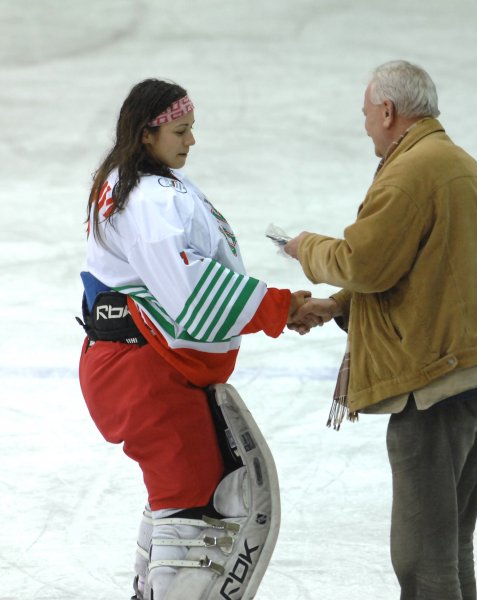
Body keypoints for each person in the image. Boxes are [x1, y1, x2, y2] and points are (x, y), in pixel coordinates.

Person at [284, 60, 477, 600]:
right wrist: (339, 306)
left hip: (437, 379)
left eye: (367, 115)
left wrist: (305, 249)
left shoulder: (412, 170)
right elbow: (427, 267)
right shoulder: (459, 164)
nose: (365, 125)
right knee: (450, 544)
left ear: (388, 112)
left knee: (421, 557)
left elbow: (364, 261)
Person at [77, 78, 309, 600]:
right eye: (180, 130)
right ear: (146, 134)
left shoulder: (128, 183)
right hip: (142, 369)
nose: (190, 141)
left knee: (183, 502)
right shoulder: (149, 199)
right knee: (201, 508)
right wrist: (282, 307)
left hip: (132, 363)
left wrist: (280, 307)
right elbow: (189, 290)